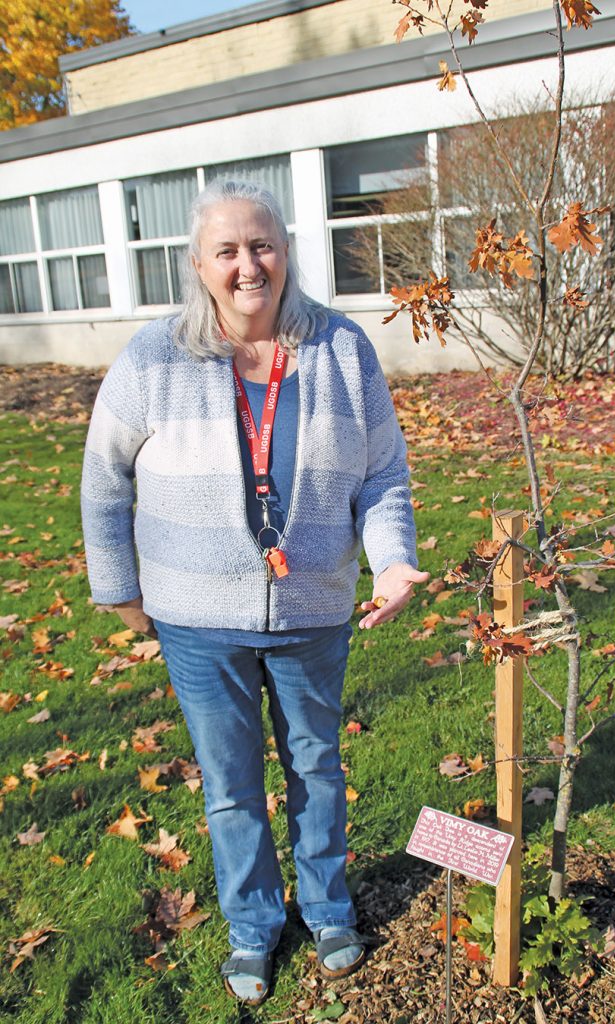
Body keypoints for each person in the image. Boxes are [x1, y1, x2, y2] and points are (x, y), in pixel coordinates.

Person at [81, 178, 427, 1006]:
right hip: (197, 618)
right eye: (228, 250)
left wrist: (390, 560)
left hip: (310, 607)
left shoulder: (341, 347)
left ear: (286, 252)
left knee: (316, 763)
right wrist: (118, 589)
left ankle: (328, 907)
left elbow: (382, 471)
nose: (248, 265)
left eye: (262, 245)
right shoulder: (154, 357)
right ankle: (252, 924)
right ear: (199, 264)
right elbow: (103, 482)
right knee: (230, 780)